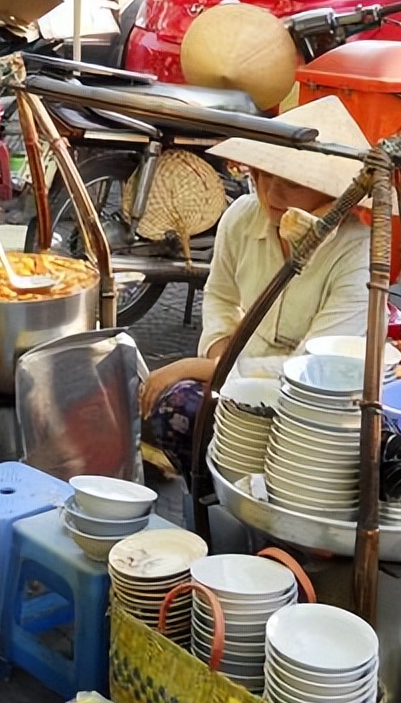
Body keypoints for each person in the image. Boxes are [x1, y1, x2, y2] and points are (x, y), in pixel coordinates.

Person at [138, 98, 373, 481]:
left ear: (330, 191)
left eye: (291, 183)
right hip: (235, 376)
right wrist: (217, 350)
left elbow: (313, 367)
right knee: (175, 410)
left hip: (315, 401)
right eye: (263, 176)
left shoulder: (357, 250)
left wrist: (202, 368)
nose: (272, 194)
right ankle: (208, 498)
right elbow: (220, 296)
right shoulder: (242, 217)